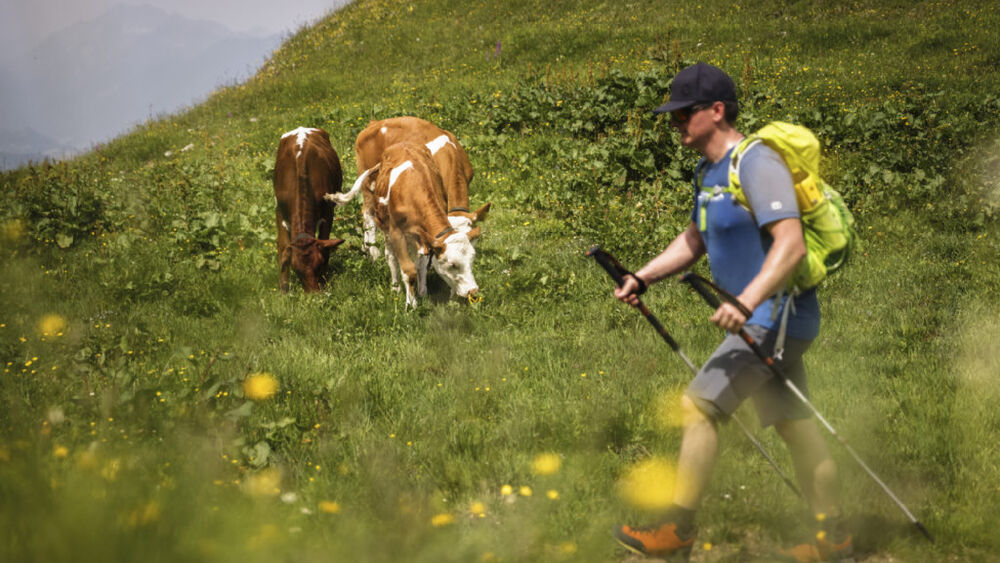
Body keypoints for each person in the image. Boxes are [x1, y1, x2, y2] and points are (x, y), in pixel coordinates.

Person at [611, 62, 852, 562]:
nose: (675, 123)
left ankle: (678, 531)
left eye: (684, 113)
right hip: (764, 319)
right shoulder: (708, 171)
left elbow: (789, 246)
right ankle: (834, 538)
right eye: (673, 115)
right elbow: (695, 239)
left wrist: (745, 303)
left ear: (716, 111)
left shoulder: (757, 163)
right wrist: (641, 276)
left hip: (773, 317)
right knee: (794, 424)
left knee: (699, 406)